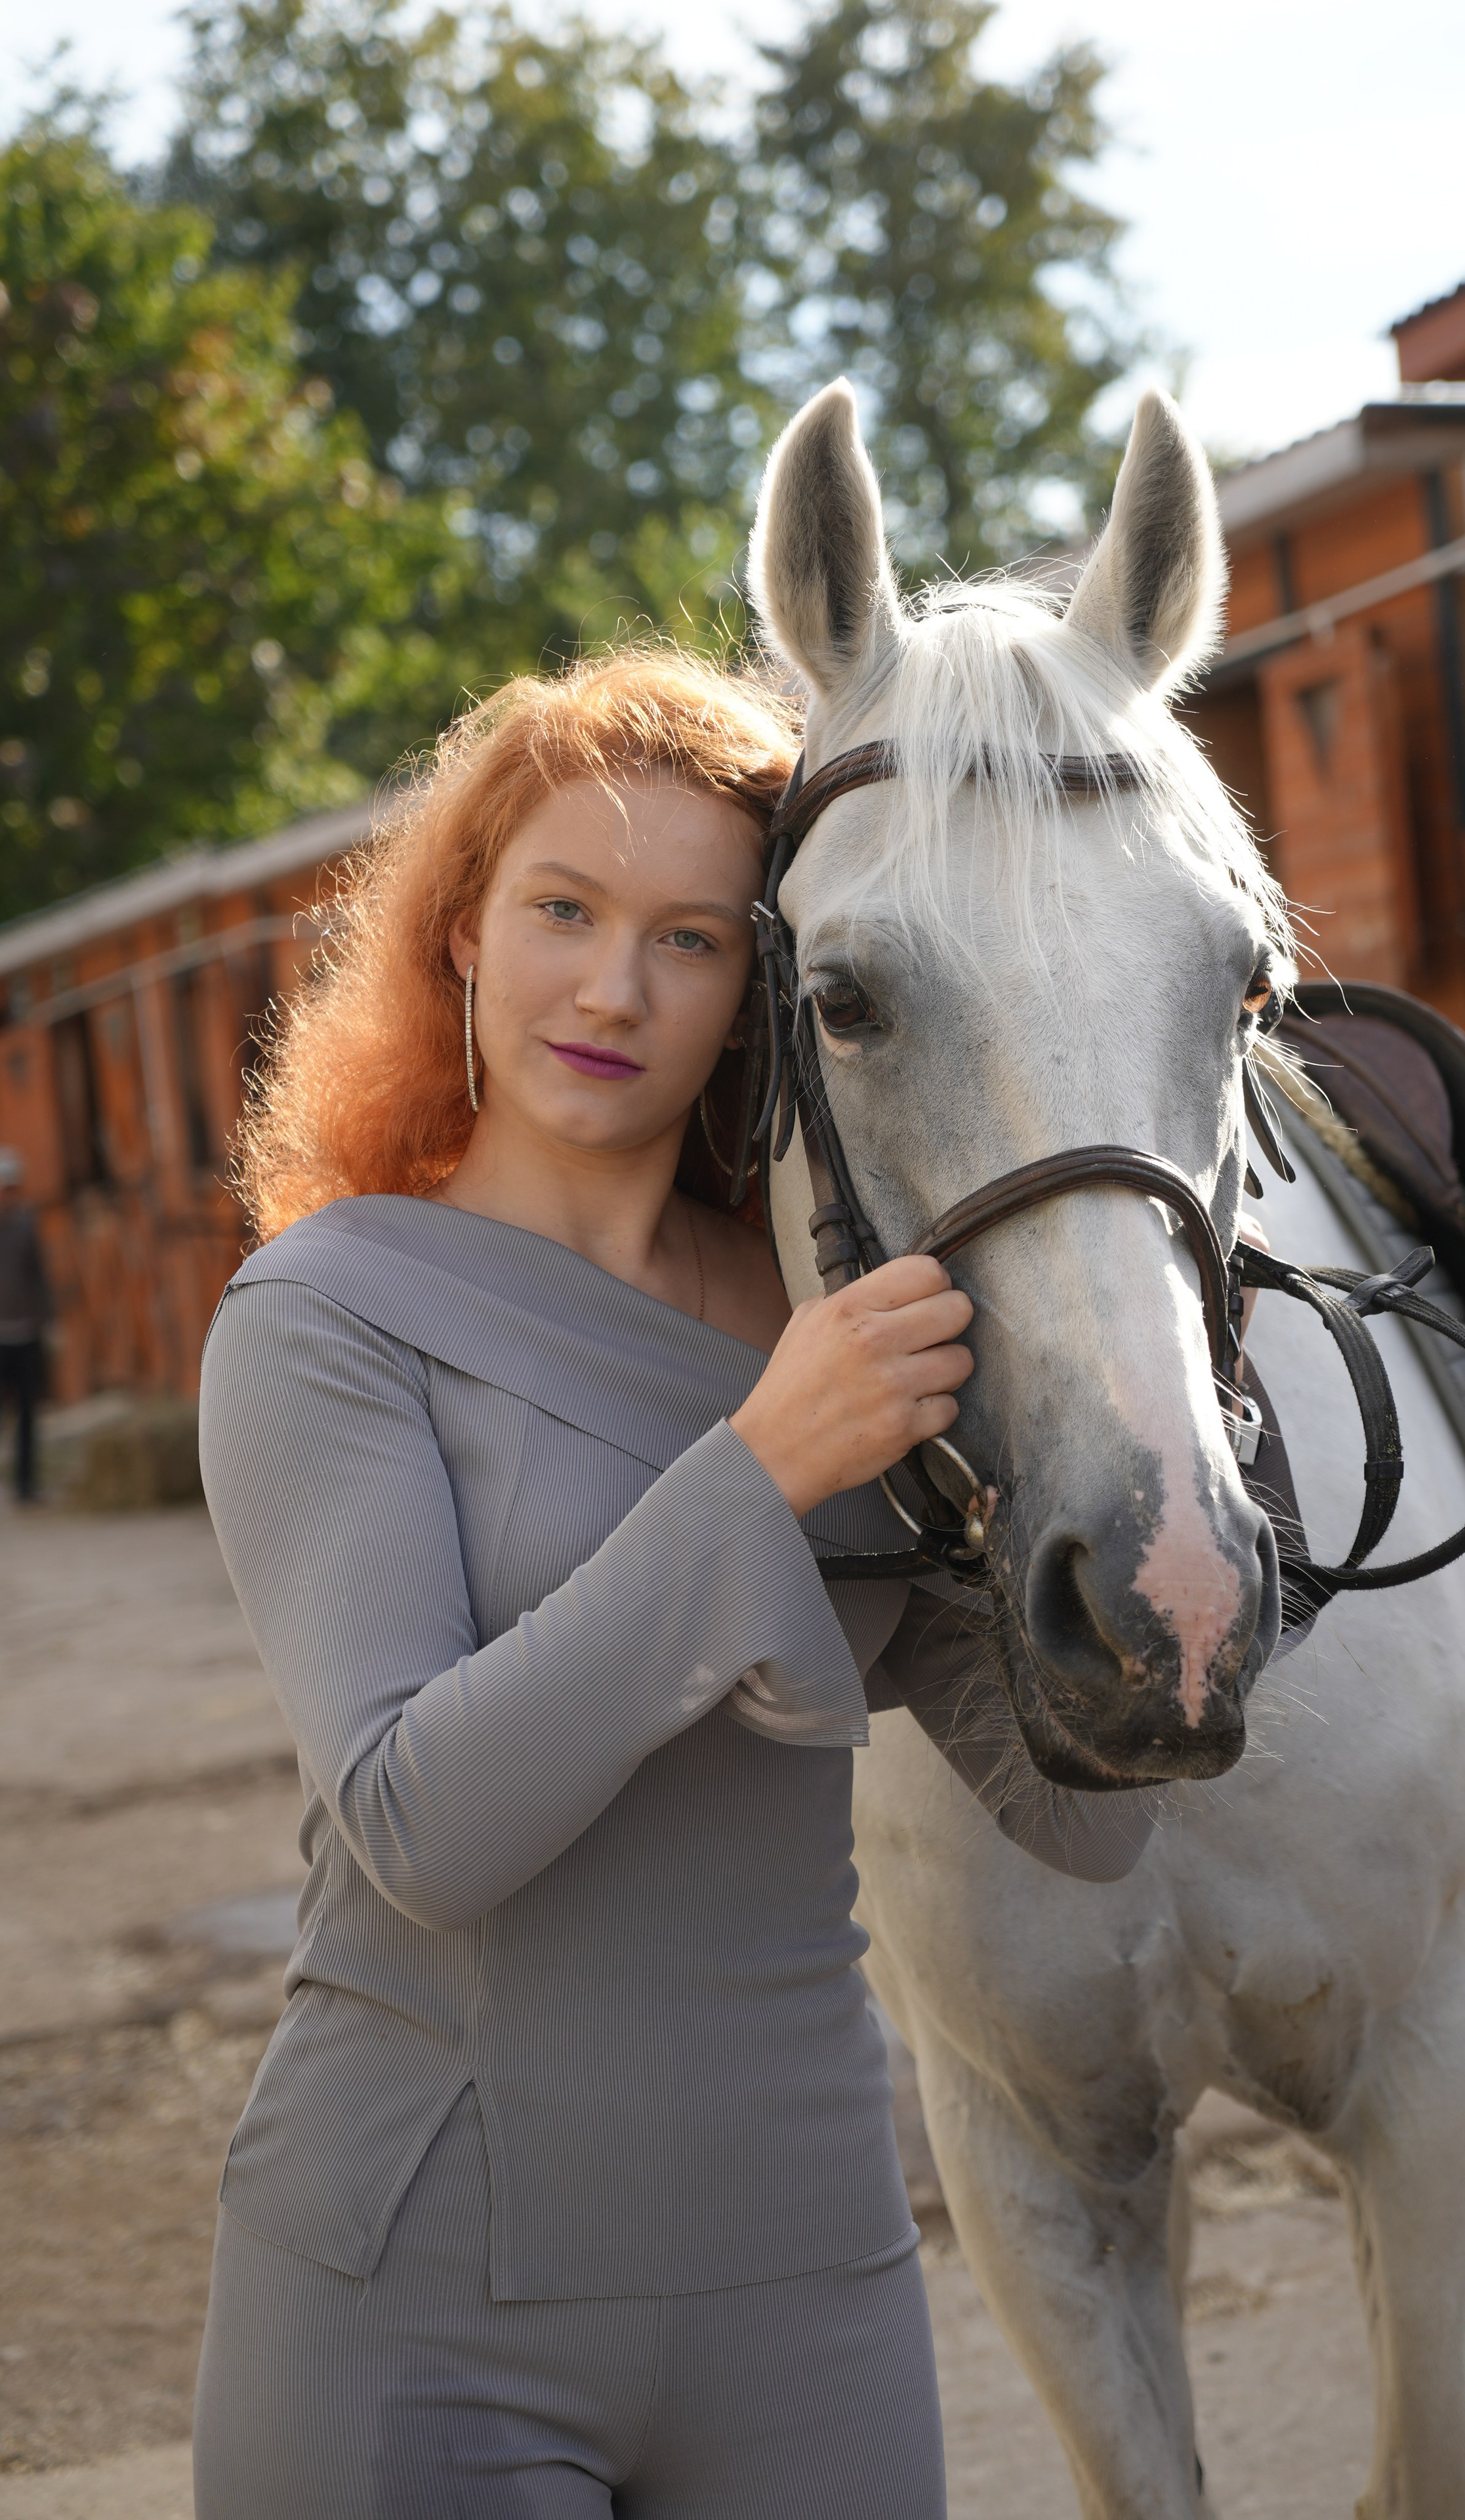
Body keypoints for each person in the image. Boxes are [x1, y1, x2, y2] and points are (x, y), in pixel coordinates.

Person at [192, 651, 1155, 2520]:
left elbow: (1090, 1821)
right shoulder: (326, 1315)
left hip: (807, 2278)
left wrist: (1148, 1461)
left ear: (762, 989)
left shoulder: (844, 1336)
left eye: (692, 939)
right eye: (562, 909)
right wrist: (761, 1466)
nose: (614, 991)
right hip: (419, 2297)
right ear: (464, 932)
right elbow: (418, 1823)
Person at [0, 1149, 50, 1503]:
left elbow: (39, 1276)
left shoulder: (26, 1226)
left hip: (27, 1333)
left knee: (28, 1413)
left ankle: (25, 1485)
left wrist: (49, 1320)